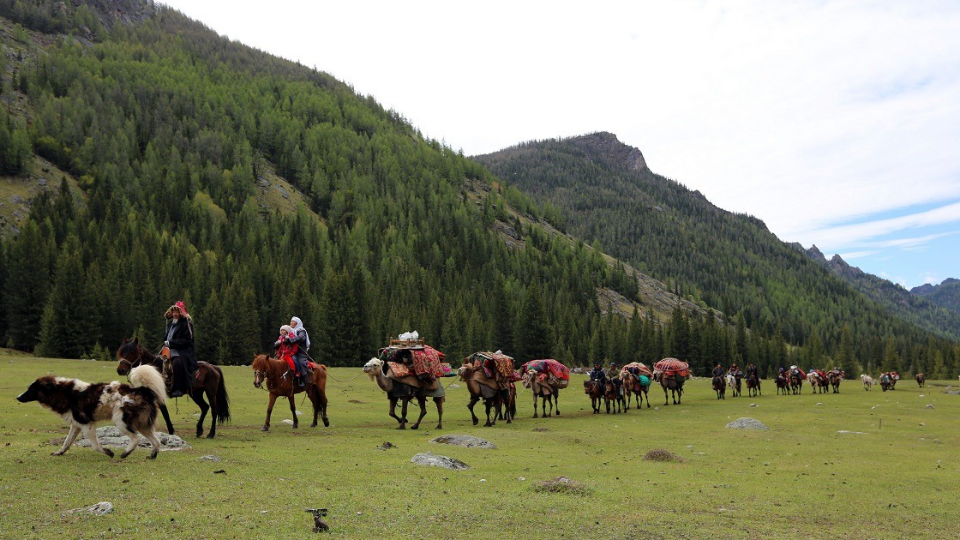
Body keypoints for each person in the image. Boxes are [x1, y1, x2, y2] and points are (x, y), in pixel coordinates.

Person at [163, 301, 196, 398]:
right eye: (173, 312)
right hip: (169, 351)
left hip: (182, 352)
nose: (174, 314)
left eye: (177, 312)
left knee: (177, 363)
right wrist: (165, 343)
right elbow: (166, 338)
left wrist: (171, 343)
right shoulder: (170, 325)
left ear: (181, 313)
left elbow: (187, 340)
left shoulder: (186, 324)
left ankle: (178, 389)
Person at [287, 316, 311, 387]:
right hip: (290, 351)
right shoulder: (290, 330)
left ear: (297, 323)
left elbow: (301, 337)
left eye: (293, 321)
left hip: (300, 352)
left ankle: (304, 379)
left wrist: (291, 340)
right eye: (291, 321)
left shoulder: (301, 330)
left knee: (301, 363)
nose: (291, 322)